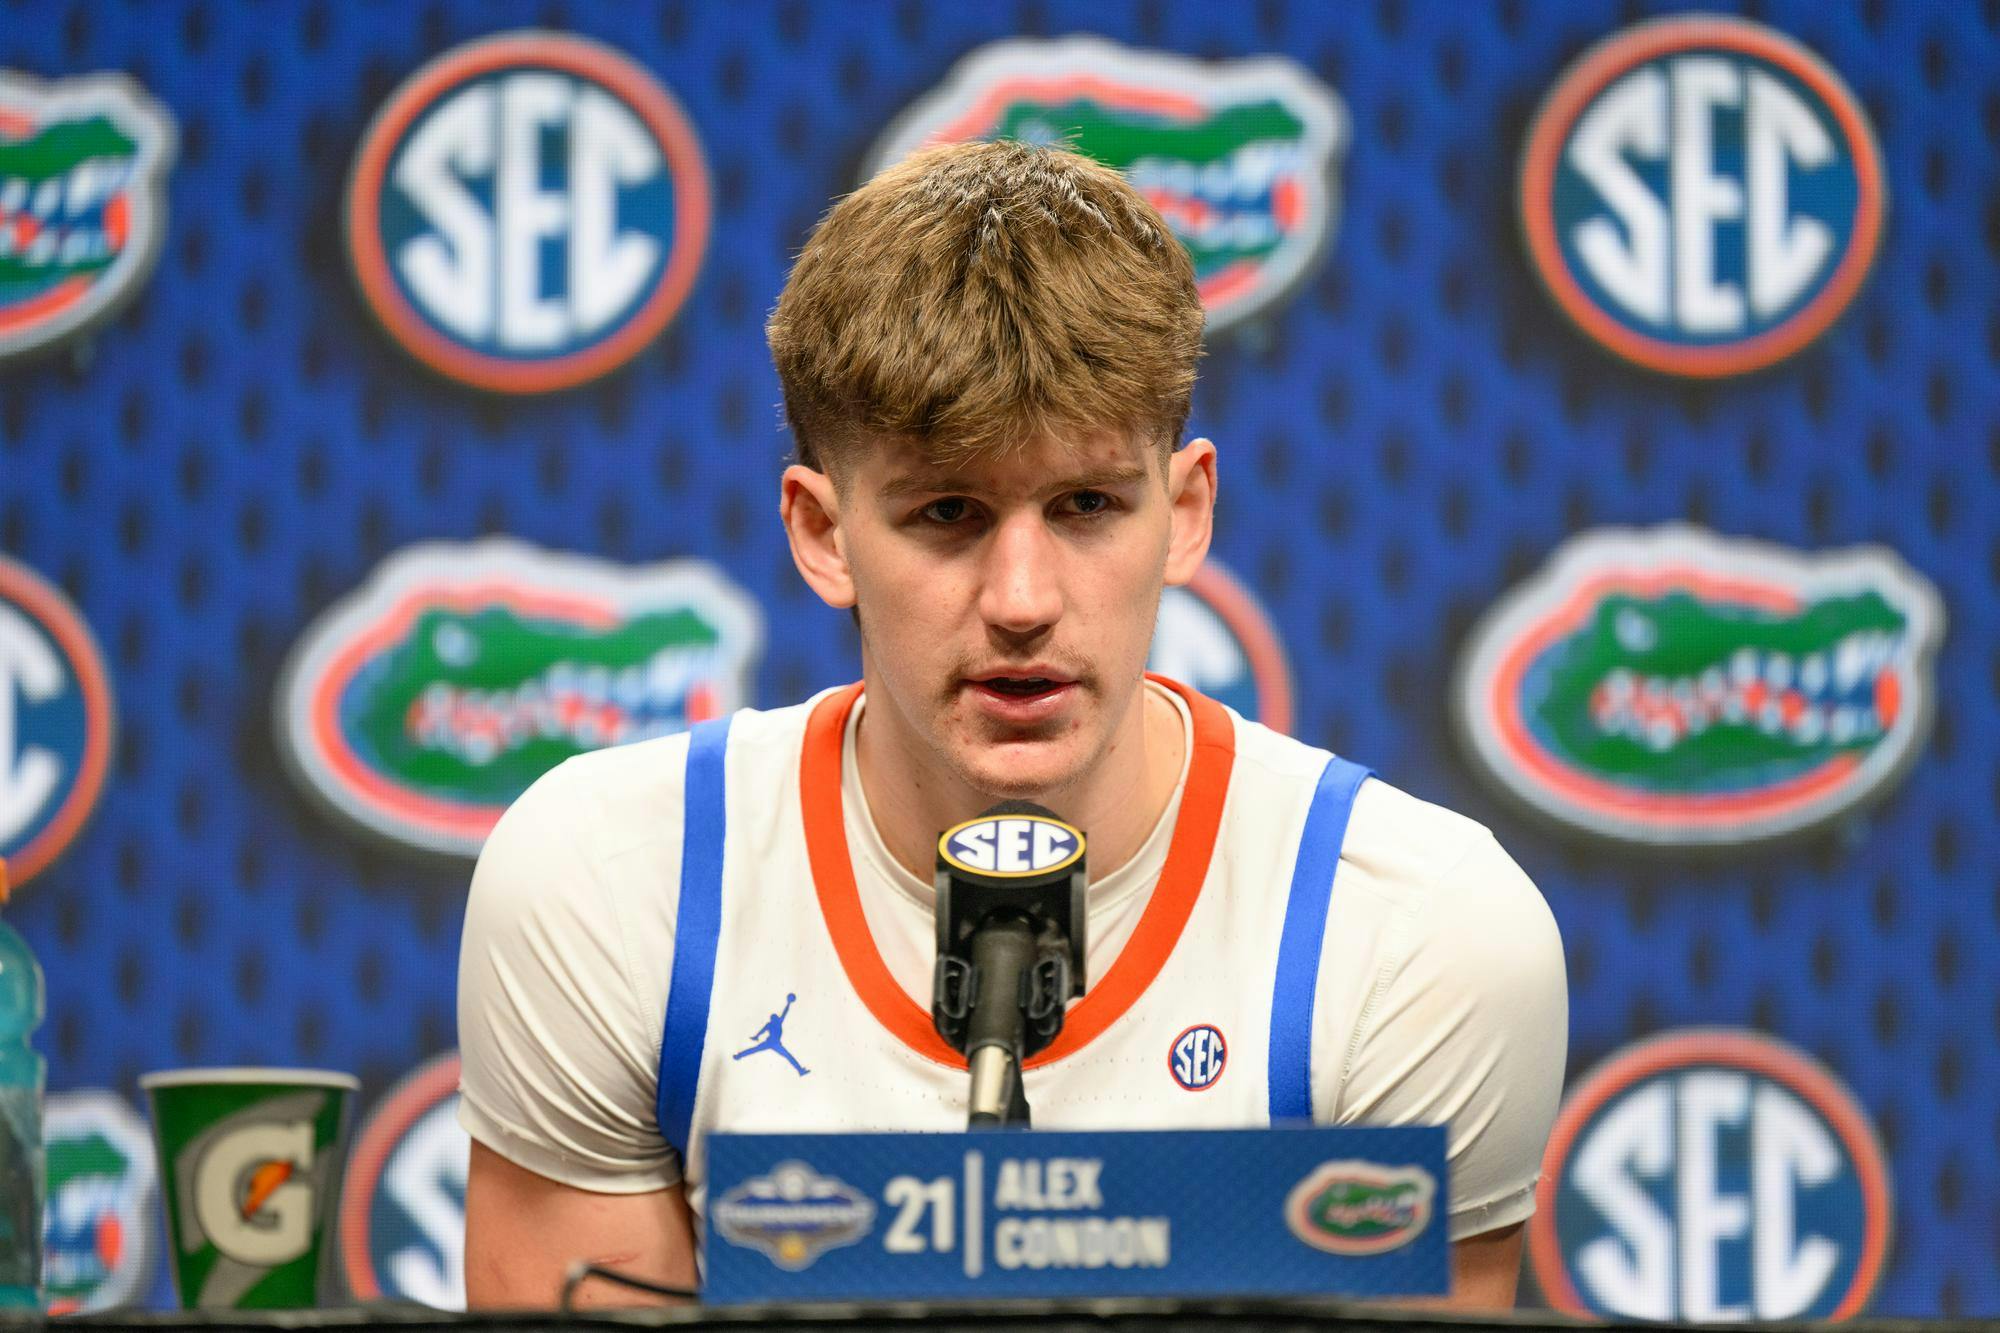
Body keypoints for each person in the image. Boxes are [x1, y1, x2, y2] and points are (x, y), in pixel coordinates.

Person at [456, 140, 1567, 1310]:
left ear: (1183, 513)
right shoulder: (613, 884)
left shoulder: (1415, 932)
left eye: (1086, 505)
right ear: (822, 533)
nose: (1022, 600)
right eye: (947, 512)